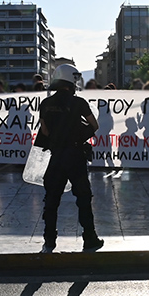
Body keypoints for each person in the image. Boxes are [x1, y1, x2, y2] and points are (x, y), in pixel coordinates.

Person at [35, 64, 103, 253]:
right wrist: (80, 133)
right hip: (75, 156)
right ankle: (89, 238)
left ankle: (49, 241)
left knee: (51, 200)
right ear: (71, 80)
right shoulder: (79, 102)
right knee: (83, 198)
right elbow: (94, 125)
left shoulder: (46, 104)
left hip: (56, 157)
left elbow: (45, 131)